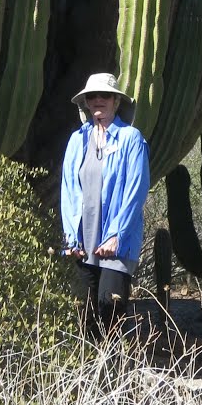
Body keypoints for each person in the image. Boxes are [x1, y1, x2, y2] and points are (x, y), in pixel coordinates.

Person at [60, 72, 150, 336]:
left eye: (105, 95)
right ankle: (89, 363)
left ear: (116, 101)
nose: (98, 100)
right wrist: (70, 238)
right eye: (92, 96)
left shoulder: (131, 138)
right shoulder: (77, 140)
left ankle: (114, 362)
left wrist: (116, 236)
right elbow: (68, 190)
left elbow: (136, 190)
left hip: (116, 245)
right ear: (86, 102)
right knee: (84, 316)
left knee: (110, 310)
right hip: (82, 244)